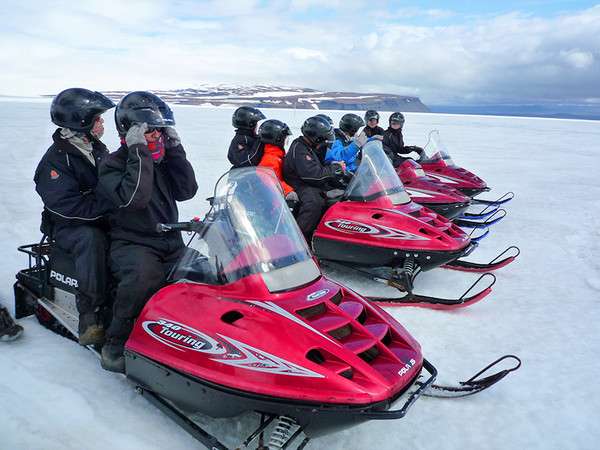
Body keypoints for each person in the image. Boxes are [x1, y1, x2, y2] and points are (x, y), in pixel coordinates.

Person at [98, 91, 198, 373]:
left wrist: (176, 151)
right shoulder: (113, 164)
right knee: (143, 279)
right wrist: (139, 152)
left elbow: (187, 191)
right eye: (149, 129)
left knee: (207, 272)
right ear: (131, 131)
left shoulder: (161, 159)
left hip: (170, 240)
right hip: (132, 243)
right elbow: (133, 200)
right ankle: (115, 343)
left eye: (160, 129)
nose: (156, 135)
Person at [34, 88, 115, 346]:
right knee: (91, 240)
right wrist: (107, 207)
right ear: (82, 121)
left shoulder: (97, 149)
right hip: (68, 227)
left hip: (97, 217)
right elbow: (66, 206)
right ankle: (91, 315)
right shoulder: (56, 161)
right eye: (98, 118)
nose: (102, 123)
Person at [282, 116, 346, 243]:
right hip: (299, 185)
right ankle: (299, 240)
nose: (324, 143)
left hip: (307, 182)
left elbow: (318, 168)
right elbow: (313, 175)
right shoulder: (299, 149)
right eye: (323, 140)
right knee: (314, 202)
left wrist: (339, 176)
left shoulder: (309, 147)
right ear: (316, 137)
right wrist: (335, 167)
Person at [256, 119, 298, 209]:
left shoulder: (278, 154)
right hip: (274, 202)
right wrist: (288, 191)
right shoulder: (271, 158)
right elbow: (269, 179)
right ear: (277, 138)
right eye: (284, 138)